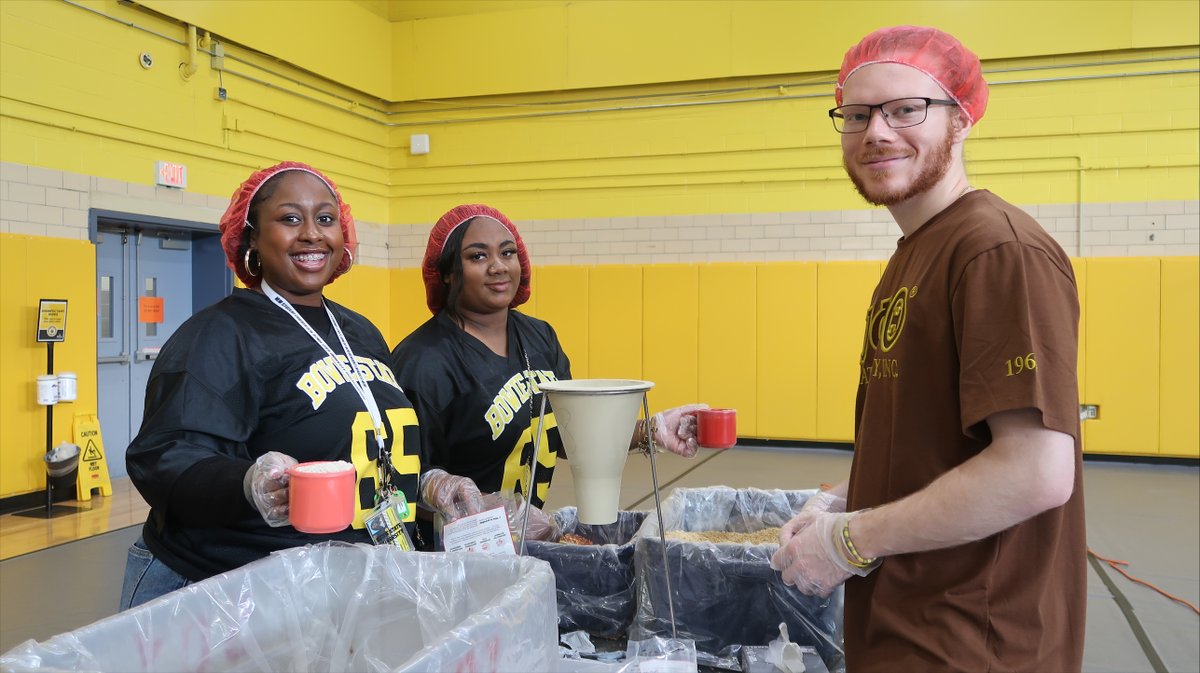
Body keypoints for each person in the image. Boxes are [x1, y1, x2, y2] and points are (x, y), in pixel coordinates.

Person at [769, 26, 1086, 672]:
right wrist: (840, 497)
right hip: (904, 622)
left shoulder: (998, 251)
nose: (877, 132)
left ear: (962, 119)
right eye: (856, 115)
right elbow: (924, 441)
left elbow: (1036, 468)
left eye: (905, 109)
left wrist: (850, 540)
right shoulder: (916, 254)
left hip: (974, 641)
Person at [120, 161, 421, 609]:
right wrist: (246, 482)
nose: (312, 234)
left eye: (325, 218)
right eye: (289, 219)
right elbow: (163, 455)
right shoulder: (219, 334)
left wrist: (431, 482)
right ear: (252, 239)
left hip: (337, 584)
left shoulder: (360, 332)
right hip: (222, 589)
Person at [390, 203, 709, 546]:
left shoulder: (540, 338)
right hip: (448, 554)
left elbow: (571, 435)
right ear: (449, 272)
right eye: (478, 256)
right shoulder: (424, 360)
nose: (498, 266)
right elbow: (400, 481)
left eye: (507, 252)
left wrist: (651, 430)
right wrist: (465, 500)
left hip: (523, 541)